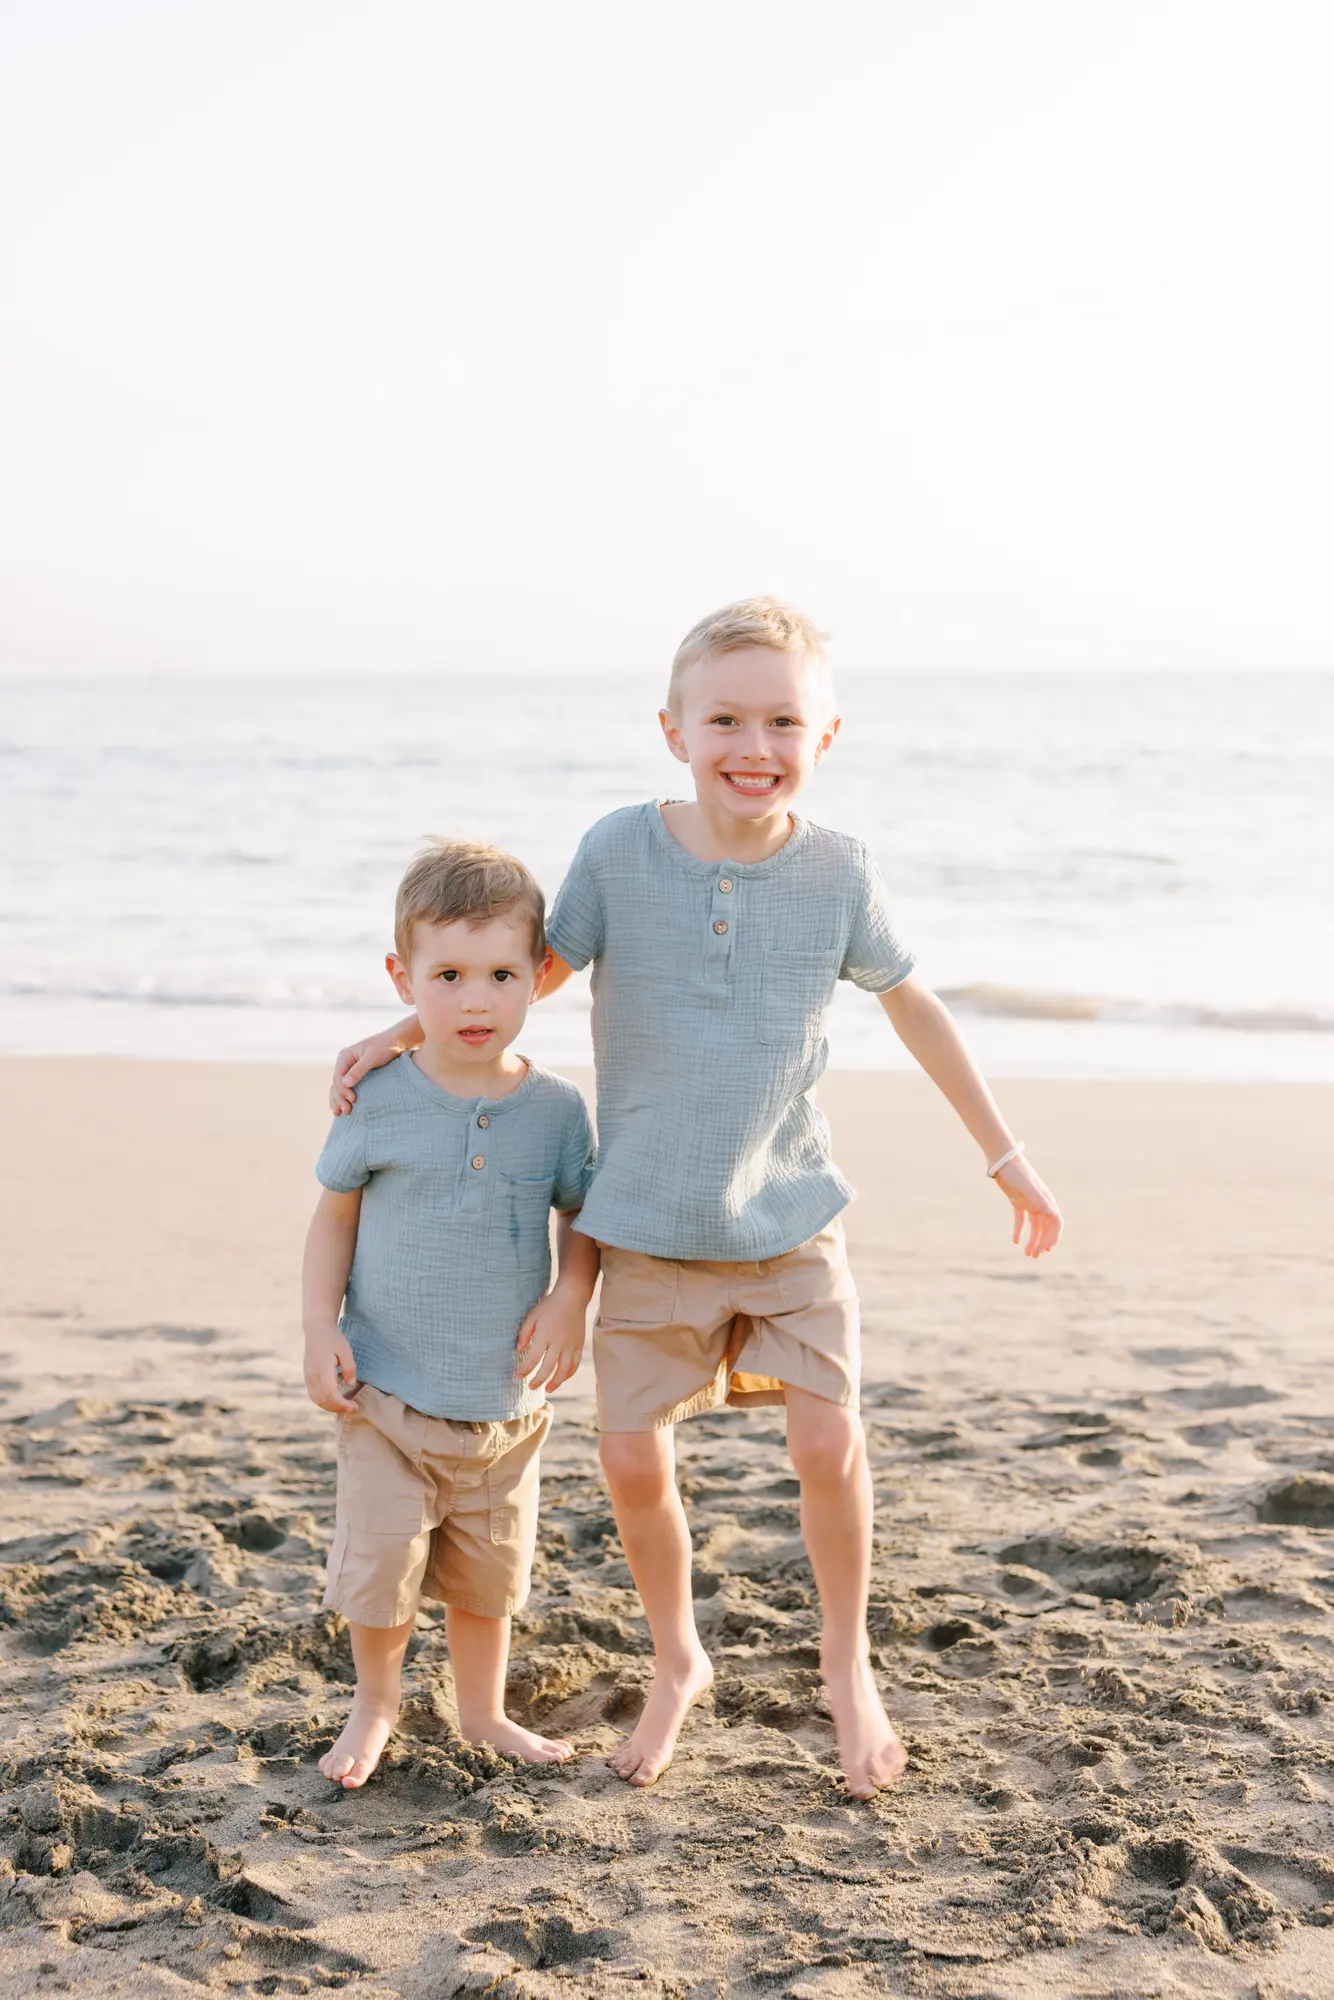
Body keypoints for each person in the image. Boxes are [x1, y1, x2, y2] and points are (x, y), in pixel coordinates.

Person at [329, 599, 1062, 1798]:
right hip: (647, 1225)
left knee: (826, 1438)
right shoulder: (620, 850)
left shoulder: (838, 871)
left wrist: (1004, 1150)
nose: (751, 742)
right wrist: (391, 1031)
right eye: (724, 716)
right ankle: (679, 1657)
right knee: (628, 1458)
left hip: (788, 1216)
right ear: (673, 728)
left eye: (782, 719)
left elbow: (911, 1002)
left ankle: (845, 1659)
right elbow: (526, 973)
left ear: (825, 736)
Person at [304, 839, 598, 1787]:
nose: (477, 1000)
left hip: (504, 1405)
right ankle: (377, 1706)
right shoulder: (376, 1098)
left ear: (541, 978)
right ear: (404, 978)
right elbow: (333, 1217)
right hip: (385, 1390)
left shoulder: (557, 1110)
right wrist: (319, 1327)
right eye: (450, 975)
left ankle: (483, 1713)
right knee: (383, 1573)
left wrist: (569, 1296)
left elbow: (579, 1215)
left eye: (503, 974)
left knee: (488, 1578)